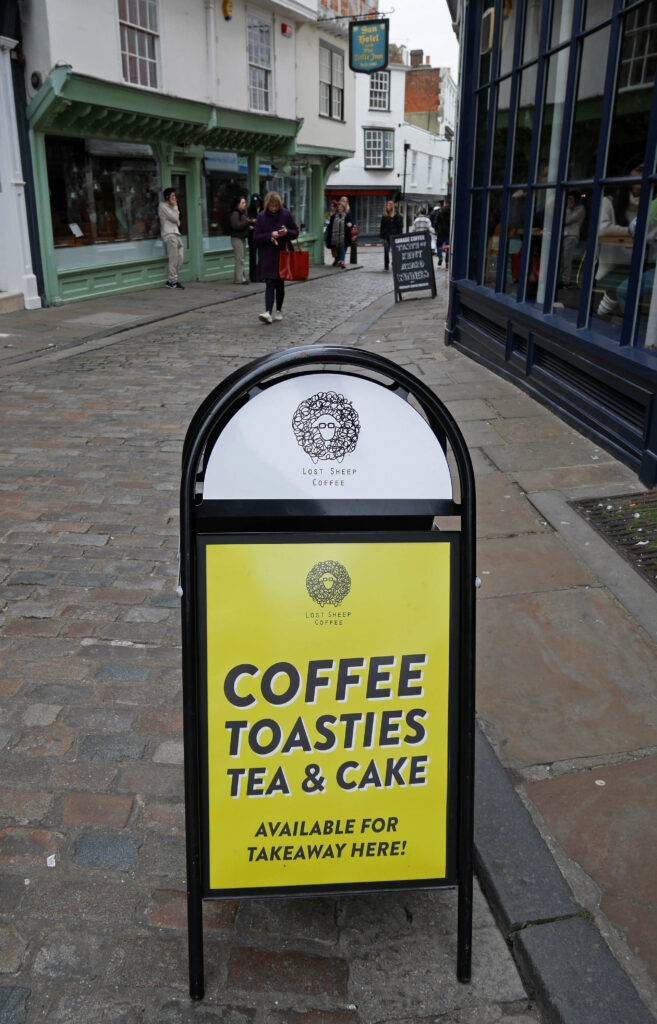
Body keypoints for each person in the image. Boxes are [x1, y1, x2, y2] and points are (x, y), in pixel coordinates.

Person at [595, 162, 643, 317]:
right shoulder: (609, 201)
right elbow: (602, 229)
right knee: (621, 290)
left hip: (641, 261)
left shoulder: (649, 204)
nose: (643, 174)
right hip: (614, 263)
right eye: (639, 169)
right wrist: (631, 231)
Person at [253, 191, 299, 323]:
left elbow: (295, 232)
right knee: (269, 283)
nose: (274, 208)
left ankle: (278, 310)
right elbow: (256, 237)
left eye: (276, 206)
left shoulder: (286, 214)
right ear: (267, 205)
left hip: (282, 254)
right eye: (272, 206)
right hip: (267, 255)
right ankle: (268, 312)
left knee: (279, 284)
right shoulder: (261, 216)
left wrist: (286, 232)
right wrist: (270, 235)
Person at [159, 187, 184, 289]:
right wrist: (175, 207)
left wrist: (175, 211)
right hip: (169, 234)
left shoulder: (173, 207)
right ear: (167, 197)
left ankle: (172, 279)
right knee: (173, 259)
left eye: (175, 196)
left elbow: (178, 222)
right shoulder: (162, 206)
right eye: (173, 196)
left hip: (176, 234)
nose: (175, 198)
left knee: (180, 258)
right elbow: (174, 218)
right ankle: (172, 281)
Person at [560, 192, 585, 288]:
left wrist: (568, 209)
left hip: (571, 236)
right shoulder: (565, 208)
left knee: (566, 259)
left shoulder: (580, 209)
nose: (568, 201)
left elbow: (566, 219)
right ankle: (559, 279)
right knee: (561, 259)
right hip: (562, 235)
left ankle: (565, 281)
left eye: (571, 199)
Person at [325, 200, 354, 268]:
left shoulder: (346, 215)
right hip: (335, 236)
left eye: (341, 207)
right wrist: (326, 222)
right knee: (337, 249)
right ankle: (338, 260)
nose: (340, 208)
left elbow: (351, 223)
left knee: (342, 248)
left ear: (343, 208)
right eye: (339, 207)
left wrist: (350, 225)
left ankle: (342, 261)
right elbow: (329, 224)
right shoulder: (333, 216)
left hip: (344, 236)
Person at [229, 195, 251, 284]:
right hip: (236, 238)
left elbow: (243, 225)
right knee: (240, 259)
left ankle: (240, 277)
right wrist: (246, 221)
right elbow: (237, 225)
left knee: (242, 258)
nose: (245, 204)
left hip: (242, 237)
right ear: (238, 204)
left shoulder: (243, 213)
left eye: (245, 202)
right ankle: (239, 279)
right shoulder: (235, 213)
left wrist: (249, 225)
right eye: (243, 203)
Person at [379, 200, 403, 271]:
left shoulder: (396, 215)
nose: (387, 207)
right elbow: (382, 226)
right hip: (386, 236)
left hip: (394, 236)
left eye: (389, 206)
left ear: (392, 207)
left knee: (394, 251)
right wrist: (382, 236)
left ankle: (394, 264)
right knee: (386, 251)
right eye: (387, 206)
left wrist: (398, 235)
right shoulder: (385, 216)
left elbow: (400, 226)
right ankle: (386, 265)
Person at [247, 193, 262, 282]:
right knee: (252, 256)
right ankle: (253, 276)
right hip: (252, 235)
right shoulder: (249, 210)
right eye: (255, 202)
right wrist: (251, 222)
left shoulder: (263, 209)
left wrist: (254, 221)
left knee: (261, 255)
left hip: (261, 235)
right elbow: (247, 221)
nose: (256, 204)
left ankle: (261, 275)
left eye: (258, 202)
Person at [434, 201, 452, 268]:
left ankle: (440, 256)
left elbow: (436, 222)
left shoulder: (440, 212)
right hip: (448, 232)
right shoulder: (451, 211)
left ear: (445, 203)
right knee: (448, 246)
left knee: (439, 245)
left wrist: (436, 230)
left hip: (440, 232)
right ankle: (447, 260)